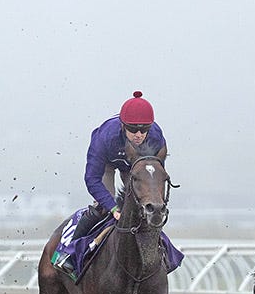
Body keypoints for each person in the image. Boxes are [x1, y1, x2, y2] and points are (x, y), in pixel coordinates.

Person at [52, 91, 168, 276]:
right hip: (107, 163)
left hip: (135, 167)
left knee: (147, 207)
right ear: (123, 125)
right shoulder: (105, 137)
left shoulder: (156, 137)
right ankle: (69, 253)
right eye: (133, 129)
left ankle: (164, 254)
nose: (139, 135)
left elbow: (155, 176)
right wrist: (113, 208)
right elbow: (92, 179)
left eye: (144, 129)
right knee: (102, 208)